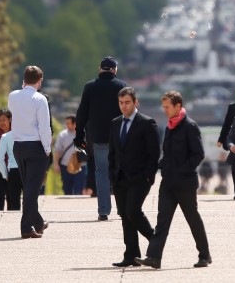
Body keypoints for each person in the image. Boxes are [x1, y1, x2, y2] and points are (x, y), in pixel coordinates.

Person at [136, 91, 211, 270]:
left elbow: (198, 155)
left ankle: (204, 255)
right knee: (162, 221)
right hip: (168, 183)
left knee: (193, 219)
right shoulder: (168, 126)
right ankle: (154, 257)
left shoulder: (190, 126)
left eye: (167, 107)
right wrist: (163, 164)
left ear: (178, 106)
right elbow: (168, 153)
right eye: (163, 107)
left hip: (185, 184)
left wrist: (181, 170)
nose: (165, 110)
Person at [108, 87, 160, 268]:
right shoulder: (115, 123)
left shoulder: (147, 123)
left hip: (140, 178)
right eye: (121, 103)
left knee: (133, 211)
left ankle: (155, 241)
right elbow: (113, 152)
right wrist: (112, 175)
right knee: (124, 215)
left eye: (127, 103)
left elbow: (154, 154)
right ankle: (131, 255)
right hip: (119, 178)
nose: (124, 106)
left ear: (136, 102)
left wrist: (148, 176)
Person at [74, 56, 126, 221]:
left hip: (98, 137)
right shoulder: (122, 86)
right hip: (119, 137)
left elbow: (82, 112)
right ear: (114, 70)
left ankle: (103, 210)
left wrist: (79, 135)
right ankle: (123, 209)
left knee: (101, 172)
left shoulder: (90, 87)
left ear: (100, 69)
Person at [8, 66, 52, 239]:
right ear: (39, 80)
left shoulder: (12, 96)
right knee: (32, 189)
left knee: (28, 186)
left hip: (18, 146)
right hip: (35, 146)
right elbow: (44, 127)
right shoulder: (39, 99)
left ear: (24, 80)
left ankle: (38, 222)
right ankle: (26, 227)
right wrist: (47, 148)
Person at [54, 115, 86, 195]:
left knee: (79, 189)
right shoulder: (62, 135)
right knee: (66, 189)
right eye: (66, 123)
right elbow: (57, 151)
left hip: (80, 166)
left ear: (75, 123)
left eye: (69, 123)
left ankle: (77, 206)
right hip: (65, 166)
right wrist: (56, 164)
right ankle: (68, 206)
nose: (67, 125)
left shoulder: (83, 134)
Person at [0, 127, 22, 210]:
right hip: (28, 169)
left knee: (14, 201)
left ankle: (14, 220)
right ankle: (29, 220)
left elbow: (0, 158)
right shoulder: (31, 134)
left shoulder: (5, 136)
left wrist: (5, 174)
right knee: (29, 200)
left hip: (13, 170)